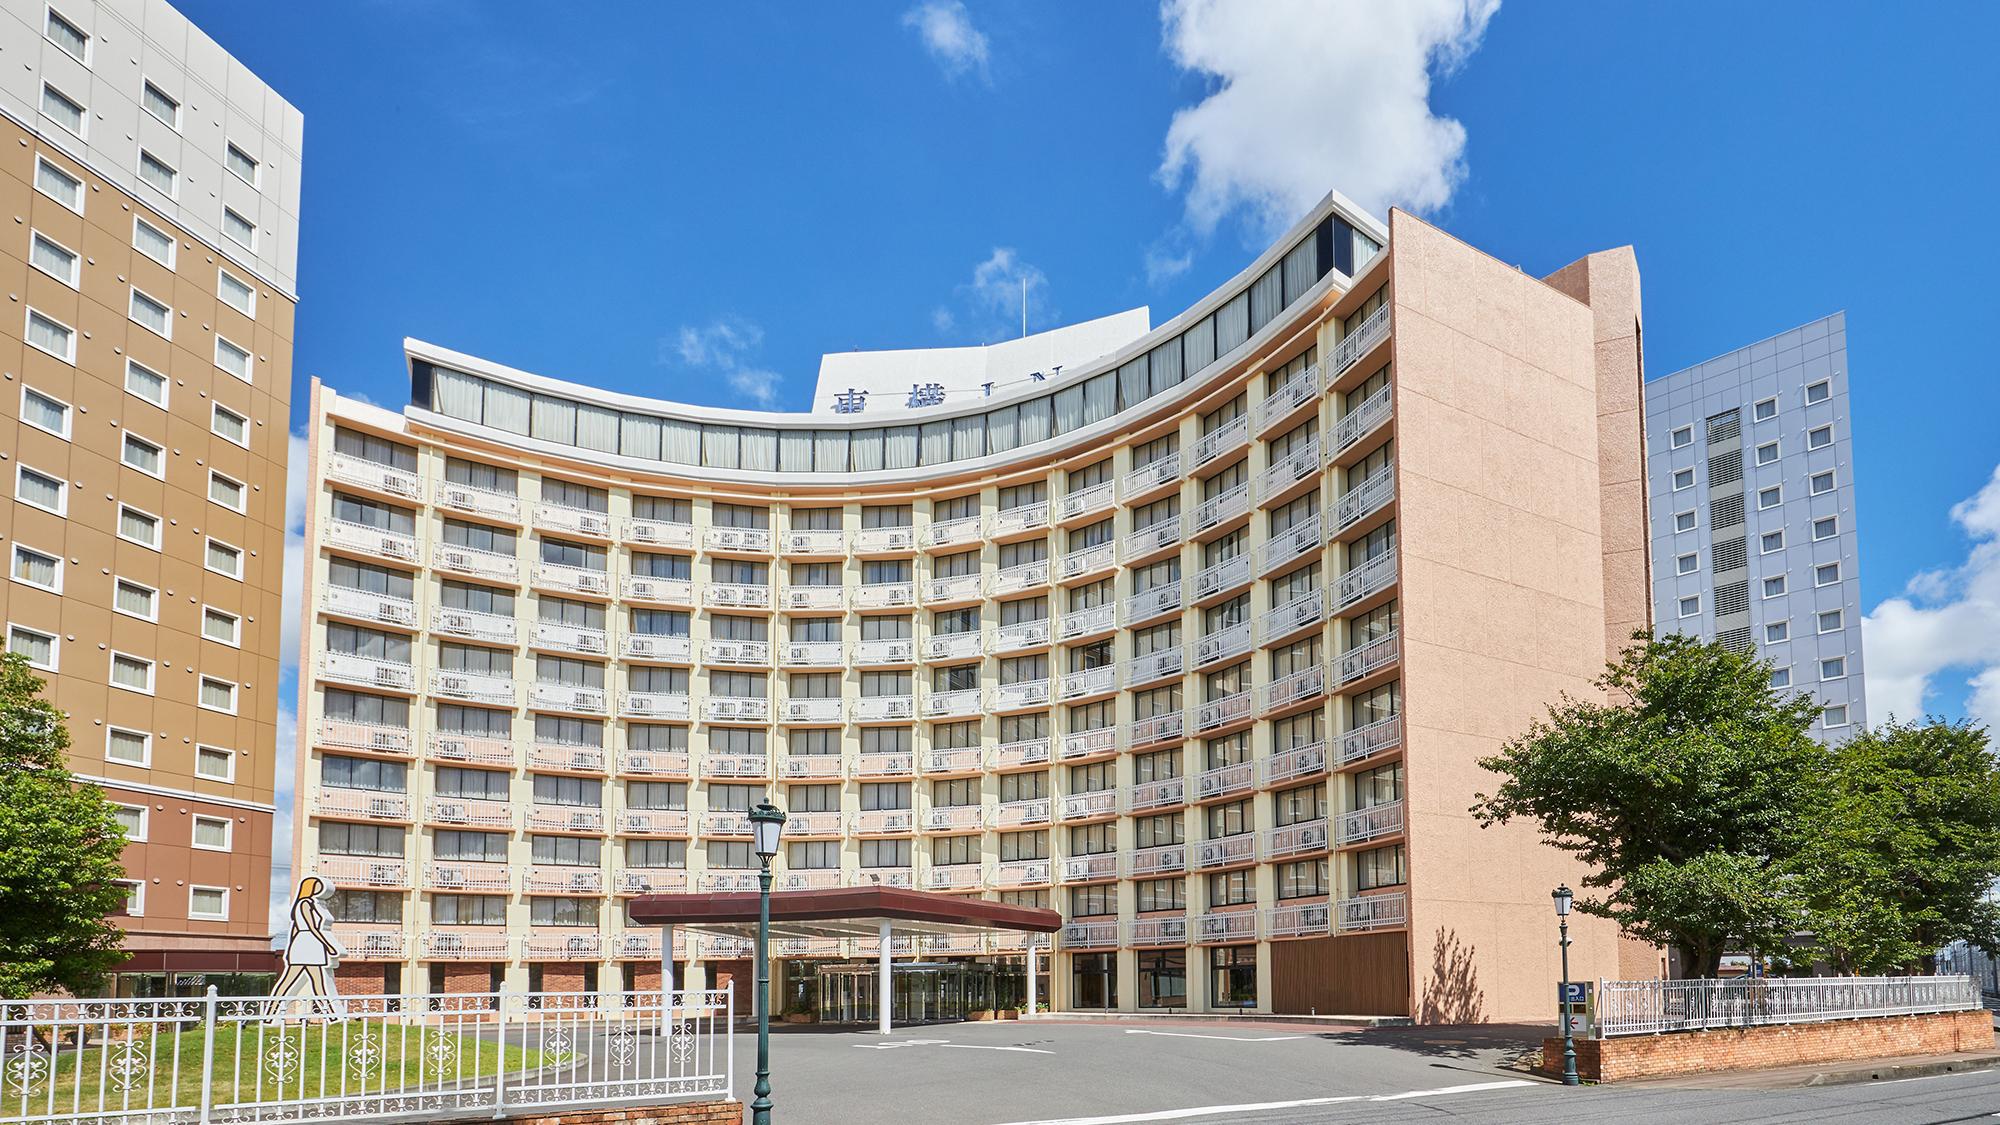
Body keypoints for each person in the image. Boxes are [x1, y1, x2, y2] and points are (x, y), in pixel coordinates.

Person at [268, 876, 347, 1019]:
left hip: (311, 944)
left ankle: (333, 1015)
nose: (318, 889)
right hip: (307, 943)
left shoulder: (313, 904)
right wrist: (328, 945)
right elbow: (313, 928)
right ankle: (271, 1014)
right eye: (316, 886)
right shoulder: (305, 903)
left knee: (318, 982)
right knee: (291, 982)